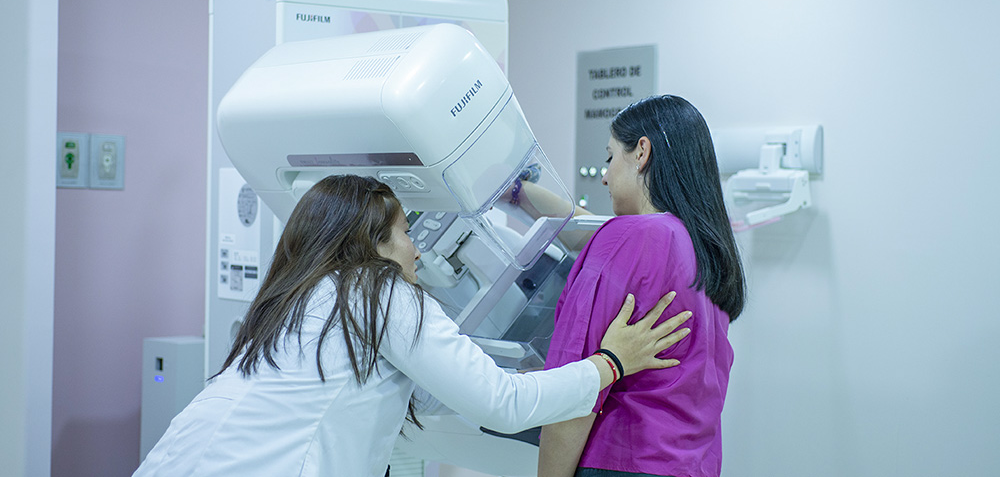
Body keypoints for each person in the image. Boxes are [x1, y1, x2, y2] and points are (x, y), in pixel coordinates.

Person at [134, 174, 692, 477]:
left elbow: (404, 394)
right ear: (371, 244)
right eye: (406, 232)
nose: (417, 250)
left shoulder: (294, 297)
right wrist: (608, 364)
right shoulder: (379, 290)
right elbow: (501, 402)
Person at [531, 95, 746, 477]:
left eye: (610, 158)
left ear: (641, 152)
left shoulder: (630, 236)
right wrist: (518, 193)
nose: (603, 176)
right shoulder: (706, 246)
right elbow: (583, 231)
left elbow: (576, 390)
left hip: (620, 460)